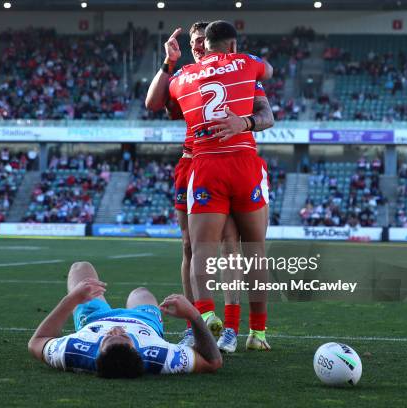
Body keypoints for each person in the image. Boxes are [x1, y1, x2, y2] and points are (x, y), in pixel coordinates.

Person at [145, 22, 274, 352]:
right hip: (192, 163)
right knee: (189, 246)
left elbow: (266, 113)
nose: (197, 45)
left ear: (212, 42)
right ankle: (197, 322)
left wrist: (243, 122)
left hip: (216, 161)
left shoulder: (237, 75)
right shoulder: (190, 71)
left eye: (202, 40)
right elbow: (155, 103)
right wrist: (168, 63)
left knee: (231, 246)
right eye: (192, 42)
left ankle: (231, 328)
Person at [28, 261, 222, 378]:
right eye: (124, 337)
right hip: (143, 322)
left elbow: (37, 341)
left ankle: (89, 302)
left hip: (95, 319)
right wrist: (193, 315)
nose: (117, 330)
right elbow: (213, 362)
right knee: (141, 292)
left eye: (109, 338)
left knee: (81, 267)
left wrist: (72, 300)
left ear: (96, 354)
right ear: (138, 350)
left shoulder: (73, 352)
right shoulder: (161, 358)